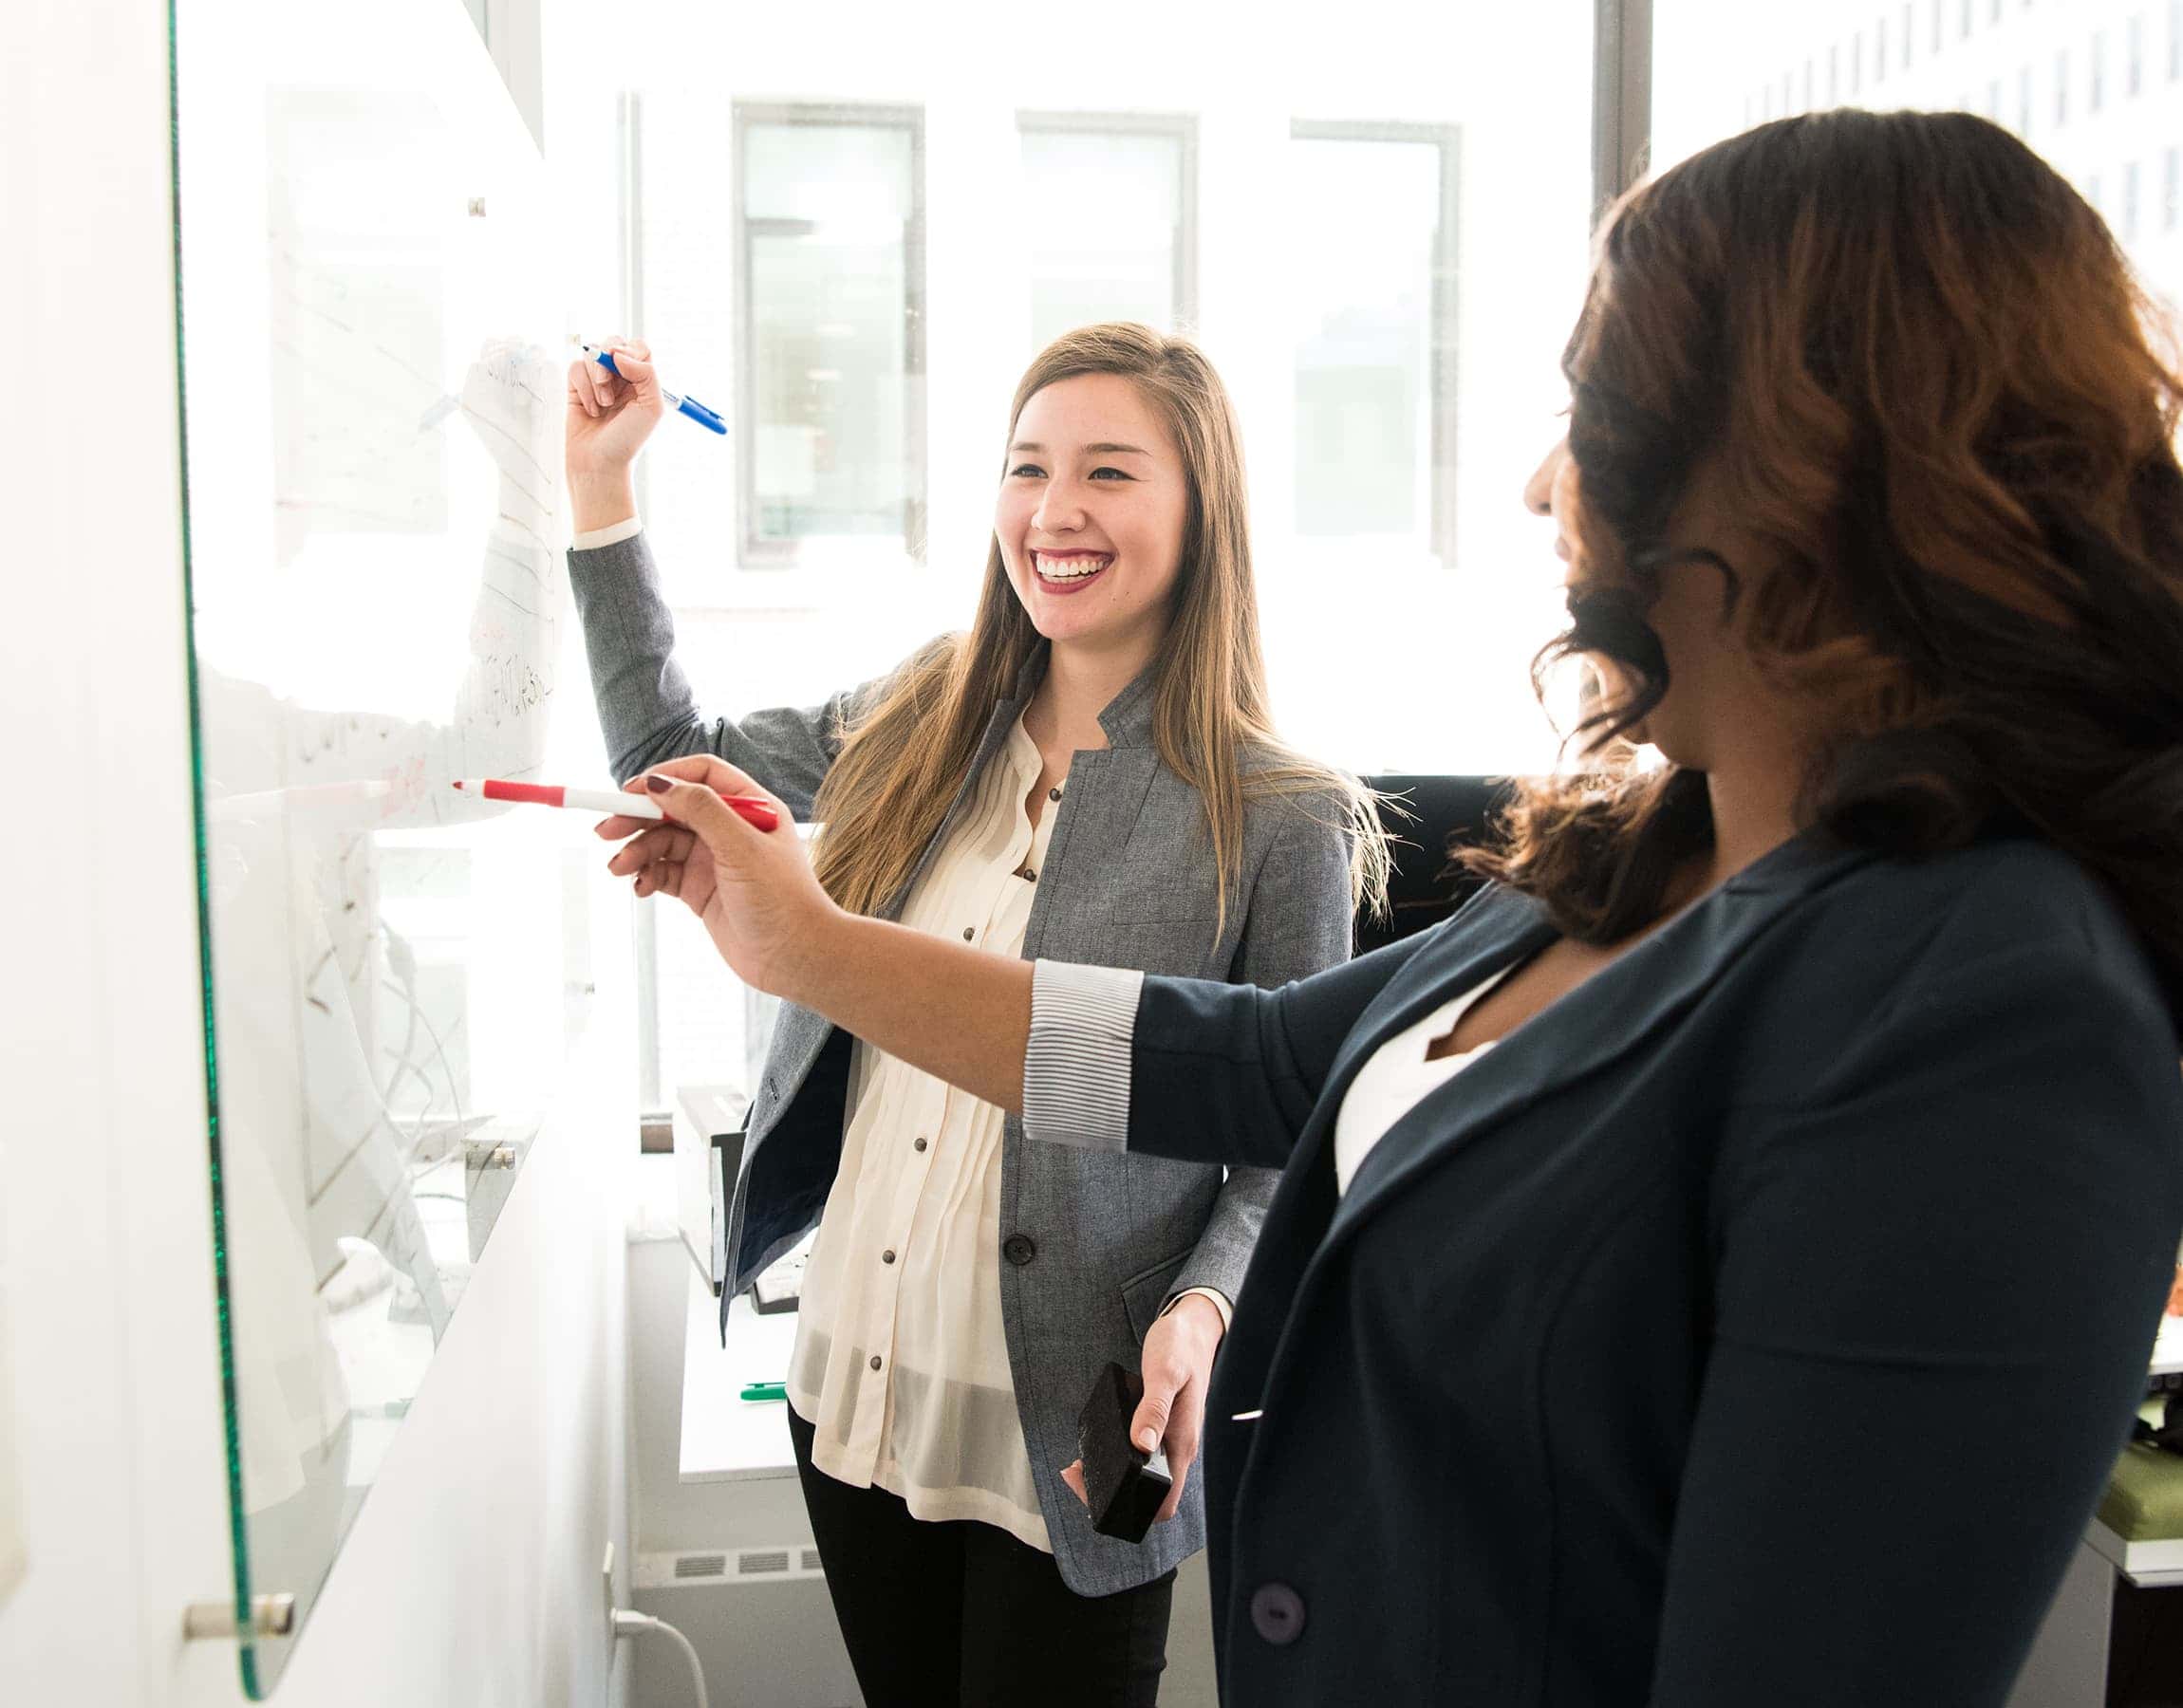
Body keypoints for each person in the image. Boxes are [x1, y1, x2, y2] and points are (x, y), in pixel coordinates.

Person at [596, 111, 2183, 1705]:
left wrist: (1195, 1299)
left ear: (1806, 465)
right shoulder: (1628, 863)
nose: (1541, 479)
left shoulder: (1992, 1011)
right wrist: (804, 945)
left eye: (1596, 408)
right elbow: (1244, 1060)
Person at [563, 323, 1383, 1704]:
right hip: (859, 1382)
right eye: (1027, 468)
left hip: (1094, 1418)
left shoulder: (1281, 815)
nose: (1055, 512)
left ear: (1202, 511)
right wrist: (603, 492)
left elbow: (1293, 1139)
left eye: (1110, 472)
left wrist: (1206, 1304)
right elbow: (665, 764)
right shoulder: (920, 713)